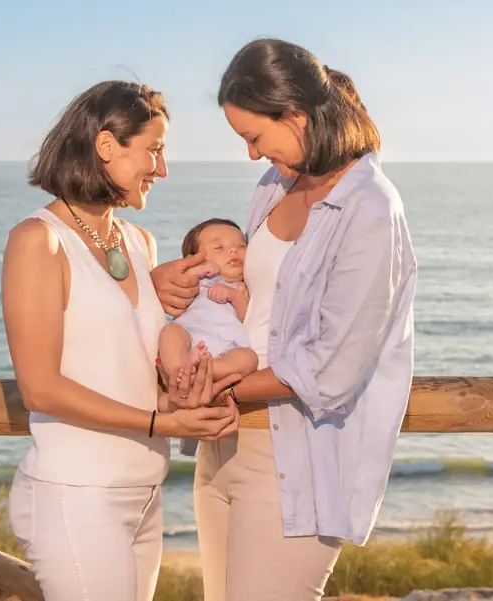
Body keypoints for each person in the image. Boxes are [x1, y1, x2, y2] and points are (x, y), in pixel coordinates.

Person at [151, 39, 418, 601]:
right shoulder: (276, 185)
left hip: (296, 452)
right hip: (224, 443)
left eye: (254, 137)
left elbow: (334, 366)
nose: (251, 154)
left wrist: (212, 386)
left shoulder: (370, 207)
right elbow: (248, 297)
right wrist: (168, 284)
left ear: (295, 114)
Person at [1, 80, 239, 601]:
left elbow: (132, 368)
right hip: (78, 496)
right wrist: (160, 421)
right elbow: (41, 389)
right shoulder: (38, 241)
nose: (163, 168)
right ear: (106, 146)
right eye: (153, 150)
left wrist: (187, 398)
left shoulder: (138, 243)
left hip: (145, 492)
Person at [158, 218, 258, 397]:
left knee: (249, 359)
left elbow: (247, 319)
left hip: (228, 344)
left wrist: (234, 297)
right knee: (170, 333)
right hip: (189, 333)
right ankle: (177, 370)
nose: (233, 250)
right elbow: (178, 284)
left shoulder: (242, 287)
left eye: (241, 246)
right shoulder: (196, 279)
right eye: (219, 248)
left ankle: (201, 370)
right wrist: (198, 269)